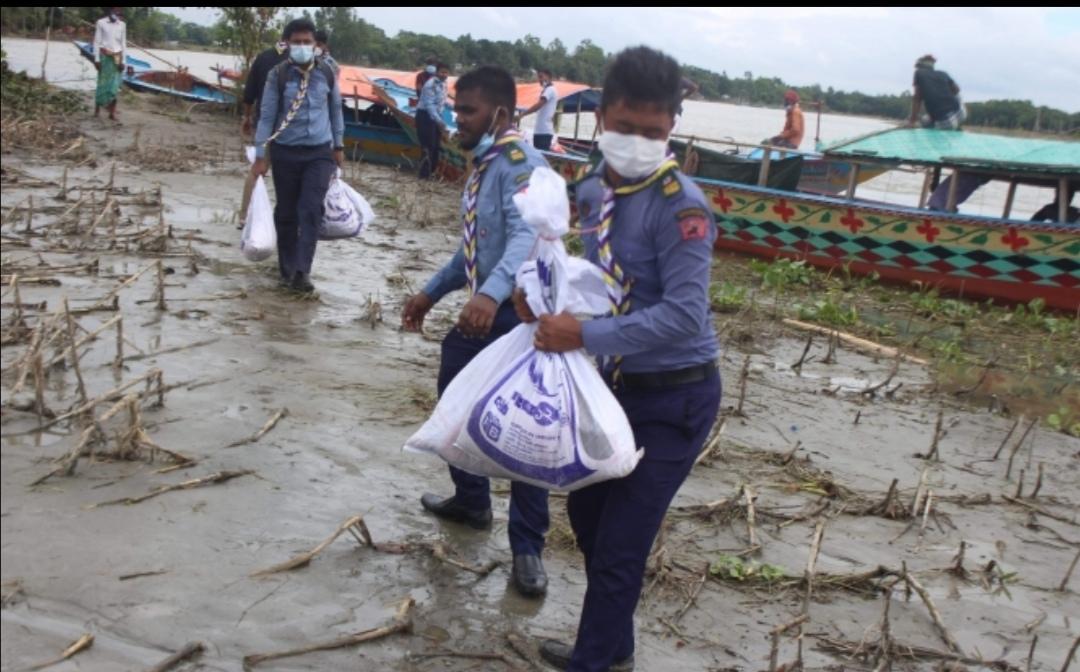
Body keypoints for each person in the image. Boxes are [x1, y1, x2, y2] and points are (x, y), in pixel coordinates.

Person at [514, 46, 722, 672]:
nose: (637, 141)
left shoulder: (681, 209)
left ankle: (594, 659)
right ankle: (616, 647)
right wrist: (537, 298)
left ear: (671, 130)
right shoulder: (596, 190)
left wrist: (584, 335)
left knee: (622, 544)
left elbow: (686, 315)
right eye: (626, 128)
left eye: (653, 133)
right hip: (618, 389)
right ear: (604, 117)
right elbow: (588, 273)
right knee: (586, 509)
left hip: (676, 398)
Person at [401, 66, 552, 598]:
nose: (455, 119)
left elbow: (524, 238)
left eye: (466, 111)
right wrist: (430, 291)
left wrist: (489, 295)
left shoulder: (522, 165)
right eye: (455, 108)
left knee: (525, 433)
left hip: (521, 313)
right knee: (455, 398)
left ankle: (528, 549)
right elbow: (473, 248)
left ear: (501, 115)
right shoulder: (486, 164)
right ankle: (471, 499)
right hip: (486, 307)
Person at [251, 18, 344, 293]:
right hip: (285, 152)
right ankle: (287, 269)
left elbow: (336, 110)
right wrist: (260, 156)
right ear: (287, 44)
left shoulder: (326, 72)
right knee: (287, 212)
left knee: (311, 209)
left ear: (316, 45)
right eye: (297, 42)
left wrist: (338, 146)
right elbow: (266, 117)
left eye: (307, 42)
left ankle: (303, 272)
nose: (302, 47)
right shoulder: (277, 75)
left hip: (319, 152)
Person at [239, 35, 288, 221]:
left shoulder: (263, 57)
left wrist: (247, 116)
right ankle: (282, 220)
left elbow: (249, 92)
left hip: (263, 123)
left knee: (258, 167)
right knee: (286, 174)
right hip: (288, 127)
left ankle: (243, 217)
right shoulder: (298, 62)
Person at [909, 54, 966, 130]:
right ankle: (955, 125)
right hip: (961, 113)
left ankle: (951, 125)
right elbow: (957, 90)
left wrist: (912, 122)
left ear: (920, 66)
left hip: (945, 122)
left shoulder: (919, 73)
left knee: (925, 123)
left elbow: (917, 99)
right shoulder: (943, 74)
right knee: (926, 118)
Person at [416, 62, 452, 179]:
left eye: (446, 72)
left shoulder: (444, 84)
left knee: (436, 146)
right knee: (428, 146)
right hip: (425, 116)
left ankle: (432, 173)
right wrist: (440, 122)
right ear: (437, 72)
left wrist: (454, 107)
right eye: (442, 72)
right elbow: (429, 105)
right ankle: (423, 176)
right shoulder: (430, 85)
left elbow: (442, 101)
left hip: (436, 116)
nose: (444, 74)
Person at [92, 7, 126, 122]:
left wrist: (123, 61)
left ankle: (112, 113)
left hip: (117, 57)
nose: (117, 11)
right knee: (102, 83)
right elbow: (97, 42)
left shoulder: (122, 25)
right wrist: (96, 59)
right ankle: (97, 110)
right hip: (105, 57)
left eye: (119, 10)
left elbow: (123, 44)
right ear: (110, 10)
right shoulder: (101, 23)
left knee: (114, 85)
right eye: (115, 9)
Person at [518, 68, 558, 151]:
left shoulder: (550, 90)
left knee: (542, 156)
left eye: (541, 77)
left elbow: (538, 105)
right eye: (539, 77)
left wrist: (522, 115)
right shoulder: (545, 90)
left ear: (549, 77)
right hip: (539, 131)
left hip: (545, 132)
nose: (540, 80)